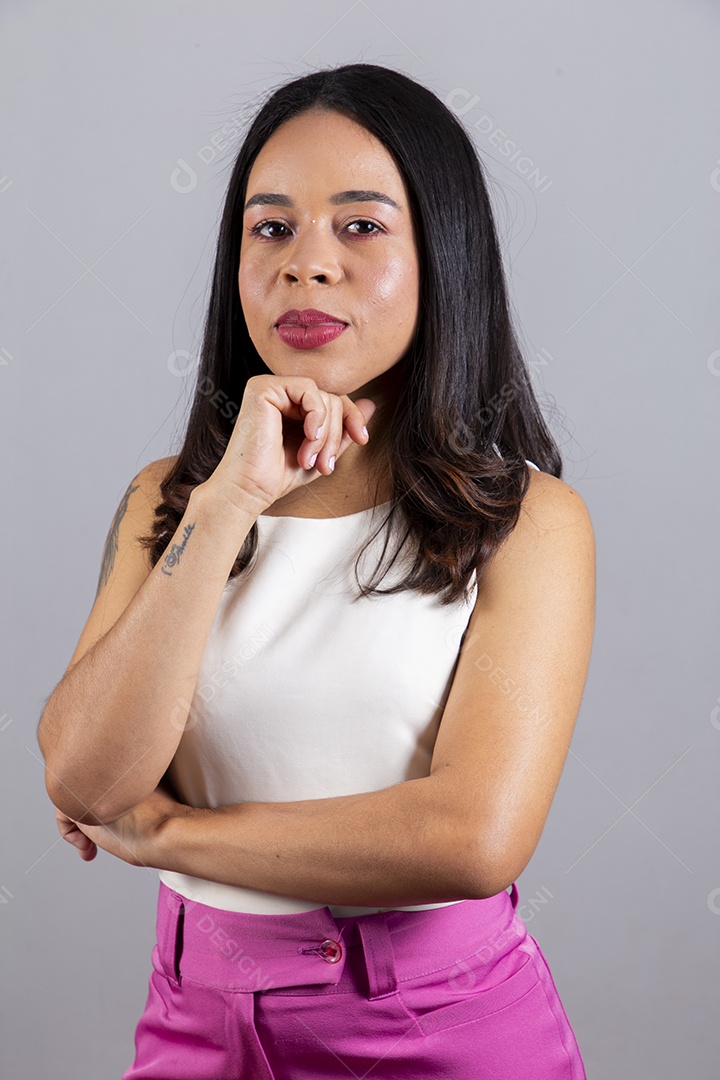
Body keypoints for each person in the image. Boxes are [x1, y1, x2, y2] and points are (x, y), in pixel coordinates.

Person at [38, 62, 595, 1078]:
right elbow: (84, 775)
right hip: (196, 1021)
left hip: (437, 1027)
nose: (306, 266)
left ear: (443, 255)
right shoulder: (171, 499)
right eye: (271, 228)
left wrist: (170, 837)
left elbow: (472, 839)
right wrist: (228, 502)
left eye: (361, 225)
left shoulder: (527, 521)